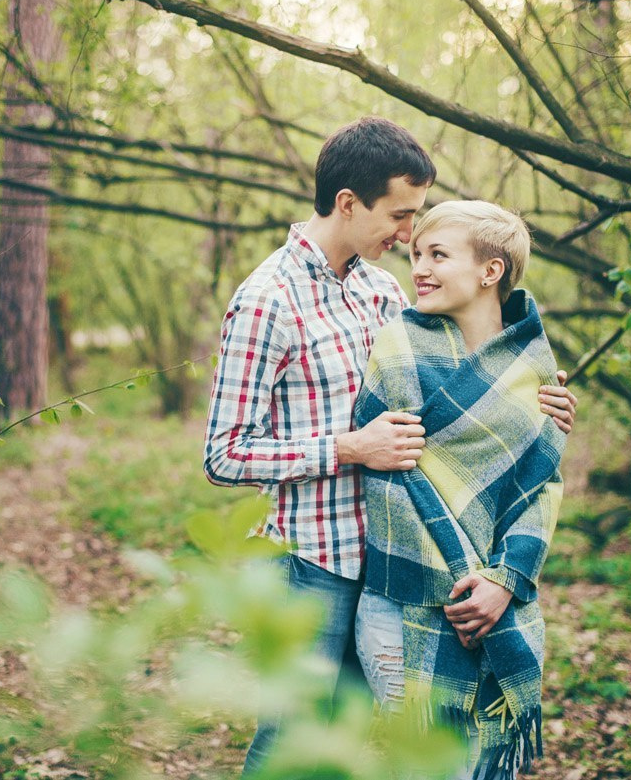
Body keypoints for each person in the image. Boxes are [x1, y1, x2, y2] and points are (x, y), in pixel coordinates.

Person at [202, 118, 577, 777]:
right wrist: (348, 447)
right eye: (400, 215)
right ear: (348, 203)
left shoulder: (381, 290)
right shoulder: (267, 300)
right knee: (292, 737)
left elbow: (448, 386)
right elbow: (224, 452)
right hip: (308, 561)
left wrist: (531, 398)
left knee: (340, 747)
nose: (409, 235)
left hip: (383, 560)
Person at [353, 200, 566, 780]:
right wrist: (465, 577)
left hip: (494, 603)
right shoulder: (397, 346)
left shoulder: (533, 366)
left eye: (437, 255)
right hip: (406, 604)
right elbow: (393, 475)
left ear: (490, 271)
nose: (417, 267)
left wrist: (504, 581)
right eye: (416, 254)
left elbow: (540, 485)